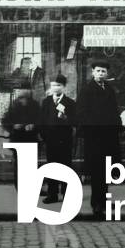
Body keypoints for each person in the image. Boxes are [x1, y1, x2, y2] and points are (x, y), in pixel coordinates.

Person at [77, 59, 122, 219]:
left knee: (106, 170)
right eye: (98, 71)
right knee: (97, 171)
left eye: (103, 71)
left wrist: (118, 126)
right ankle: (96, 204)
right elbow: (81, 113)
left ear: (107, 73)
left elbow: (114, 110)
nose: (101, 73)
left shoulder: (109, 89)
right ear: (93, 72)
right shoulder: (87, 90)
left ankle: (104, 199)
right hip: (95, 137)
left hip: (109, 137)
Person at [38, 74, 77, 204]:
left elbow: (76, 122)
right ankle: (52, 194)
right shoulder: (46, 101)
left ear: (64, 87)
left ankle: (67, 193)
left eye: (59, 85)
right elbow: (42, 121)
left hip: (65, 140)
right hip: (51, 141)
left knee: (66, 167)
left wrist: (66, 118)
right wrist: (45, 137)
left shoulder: (70, 103)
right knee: (52, 167)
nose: (56, 88)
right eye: (53, 85)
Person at [1, 88, 40, 190]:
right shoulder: (14, 105)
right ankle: (19, 187)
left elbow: (40, 120)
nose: (23, 101)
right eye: (22, 98)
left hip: (31, 138)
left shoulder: (35, 105)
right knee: (19, 165)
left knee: (31, 165)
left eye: (25, 98)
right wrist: (13, 126)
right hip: (18, 138)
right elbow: (5, 121)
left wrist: (33, 125)